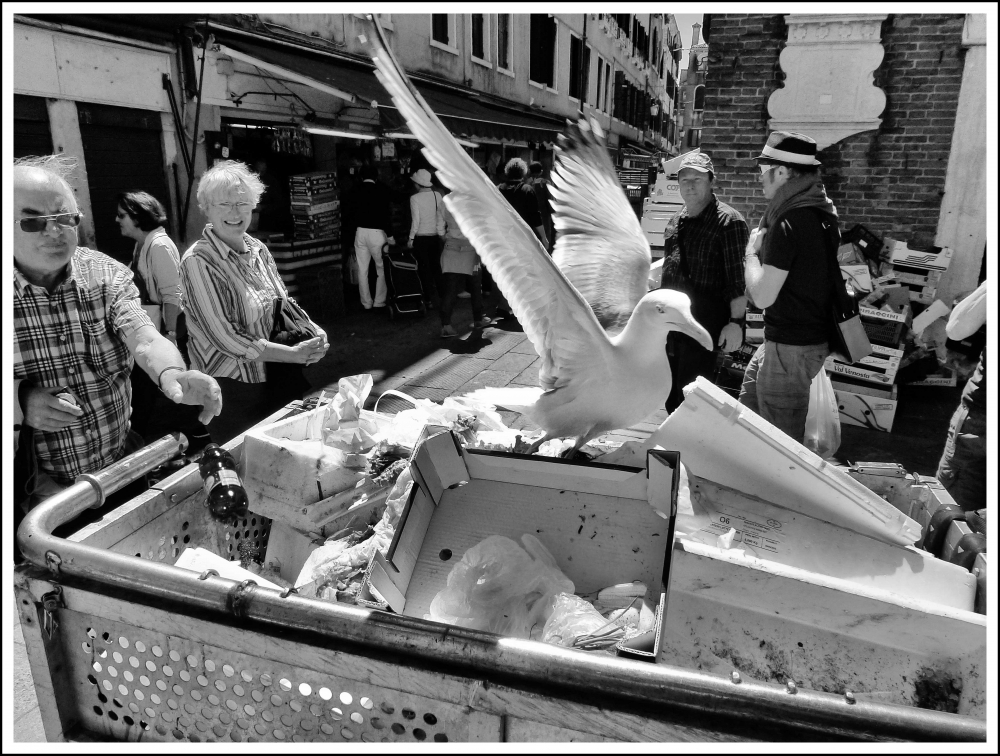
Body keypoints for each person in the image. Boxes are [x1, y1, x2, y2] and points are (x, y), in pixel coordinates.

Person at [13, 155, 222, 548]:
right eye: (33, 221)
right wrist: (20, 400)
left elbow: (143, 337)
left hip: (120, 469)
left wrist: (173, 375)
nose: (54, 231)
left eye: (65, 218)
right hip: (37, 497)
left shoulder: (105, 274)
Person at [179, 160, 329, 445]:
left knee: (284, 459)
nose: (235, 213)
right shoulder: (198, 262)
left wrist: (315, 331)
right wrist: (294, 354)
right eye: (225, 204)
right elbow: (228, 339)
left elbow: (283, 302)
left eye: (243, 204)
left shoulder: (258, 248)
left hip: (275, 377)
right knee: (245, 466)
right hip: (232, 389)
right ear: (207, 208)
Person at [739, 131, 838, 444]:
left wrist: (751, 253)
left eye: (762, 171)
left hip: (790, 349)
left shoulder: (787, 223)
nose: (760, 179)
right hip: (795, 343)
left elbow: (763, 296)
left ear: (781, 172)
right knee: (747, 420)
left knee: (777, 447)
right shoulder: (822, 211)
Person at [116, 191, 210, 450]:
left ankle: (198, 433)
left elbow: (173, 295)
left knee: (163, 384)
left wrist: (169, 334)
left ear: (138, 217)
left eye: (122, 215)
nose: (117, 220)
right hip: (155, 327)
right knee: (150, 387)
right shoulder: (142, 244)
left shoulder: (158, 246)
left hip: (169, 328)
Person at [659, 152, 749, 412]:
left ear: (711, 181)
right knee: (670, 392)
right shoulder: (676, 221)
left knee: (693, 395)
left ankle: (689, 448)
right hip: (673, 323)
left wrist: (735, 323)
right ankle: (673, 445)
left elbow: (737, 279)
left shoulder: (729, 222)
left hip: (704, 323)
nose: (689, 185)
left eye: (697, 179)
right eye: (684, 179)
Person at [936, 280, 987, 510]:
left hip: (980, 420)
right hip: (980, 420)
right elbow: (956, 331)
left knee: (952, 511)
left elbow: (957, 329)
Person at [497, 158, 548, 318]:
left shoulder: (498, 189)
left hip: (502, 235)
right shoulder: (527, 190)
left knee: (504, 270)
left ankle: (503, 305)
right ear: (524, 172)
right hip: (522, 238)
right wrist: (544, 238)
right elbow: (535, 217)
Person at [438, 196, 492, 338]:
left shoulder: (445, 200)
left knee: (450, 289)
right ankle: (478, 319)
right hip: (470, 248)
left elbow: (439, 229)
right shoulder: (472, 200)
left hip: (451, 247)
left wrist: (450, 239)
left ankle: (446, 326)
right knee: (475, 286)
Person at [351, 164, 397, 310]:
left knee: (362, 269)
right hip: (377, 233)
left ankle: (366, 303)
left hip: (360, 232)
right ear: (376, 176)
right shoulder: (381, 190)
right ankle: (379, 301)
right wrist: (390, 236)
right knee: (381, 268)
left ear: (361, 176)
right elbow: (385, 215)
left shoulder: (355, 190)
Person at [407, 168, 446, 309]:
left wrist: (410, 239)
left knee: (424, 269)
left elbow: (415, 221)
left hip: (421, 239)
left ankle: (428, 299)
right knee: (437, 267)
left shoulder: (414, 198)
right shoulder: (437, 195)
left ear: (418, 184)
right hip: (435, 238)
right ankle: (443, 297)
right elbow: (441, 217)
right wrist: (441, 233)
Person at [528, 160, 555, 253]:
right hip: (544, 216)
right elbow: (550, 201)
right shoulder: (545, 183)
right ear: (541, 171)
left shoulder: (527, 184)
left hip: (530, 217)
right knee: (545, 238)